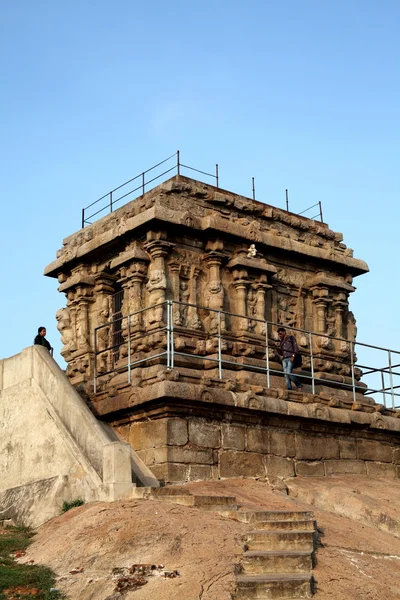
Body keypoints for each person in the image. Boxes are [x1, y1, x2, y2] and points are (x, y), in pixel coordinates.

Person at [277, 327, 303, 391]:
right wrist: (277, 348)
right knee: (286, 375)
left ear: (284, 332)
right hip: (284, 359)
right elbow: (281, 352)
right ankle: (289, 388)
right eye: (279, 334)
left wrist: (293, 356)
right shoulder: (281, 341)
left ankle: (299, 384)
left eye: (280, 333)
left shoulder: (291, 338)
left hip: (290, 358)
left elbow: (296, 348)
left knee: (289, 373)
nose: (279, 335)